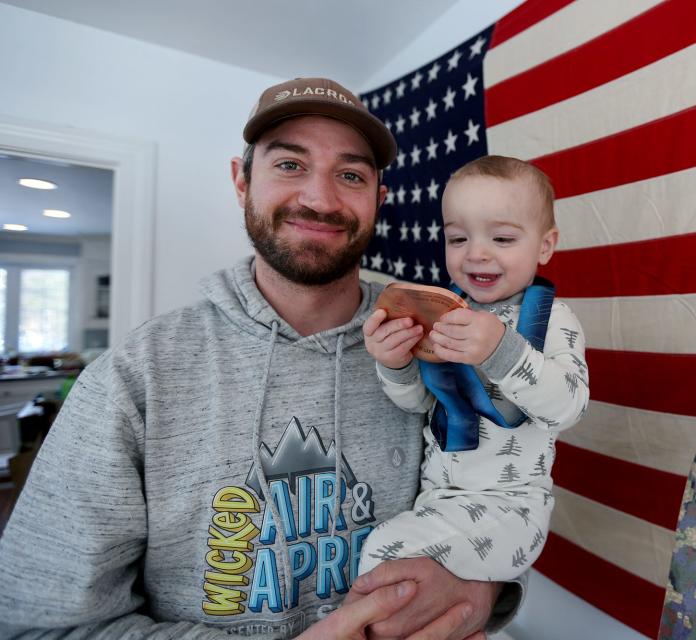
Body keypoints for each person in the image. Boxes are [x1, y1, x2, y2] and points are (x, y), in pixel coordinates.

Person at [0, 78, 521, 640]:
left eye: (350, 175)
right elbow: (40, 623)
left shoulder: (443, 338)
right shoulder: (137, 375)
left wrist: (486, 588)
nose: (320, 199)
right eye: (290, 165)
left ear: (379, 199)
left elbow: (508, 491)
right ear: (241, 180)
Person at [361, 156, 589, 580]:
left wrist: (501, 350)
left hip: (512, 507)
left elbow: (568, 407)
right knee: (390, 574)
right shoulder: (444, 310)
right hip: (435, 498)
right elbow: (421, 405)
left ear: (545, 245)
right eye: (458, 238)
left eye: (502, 238)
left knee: (383, 554)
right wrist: (395, 365)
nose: (476, 254)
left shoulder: (553, 319)